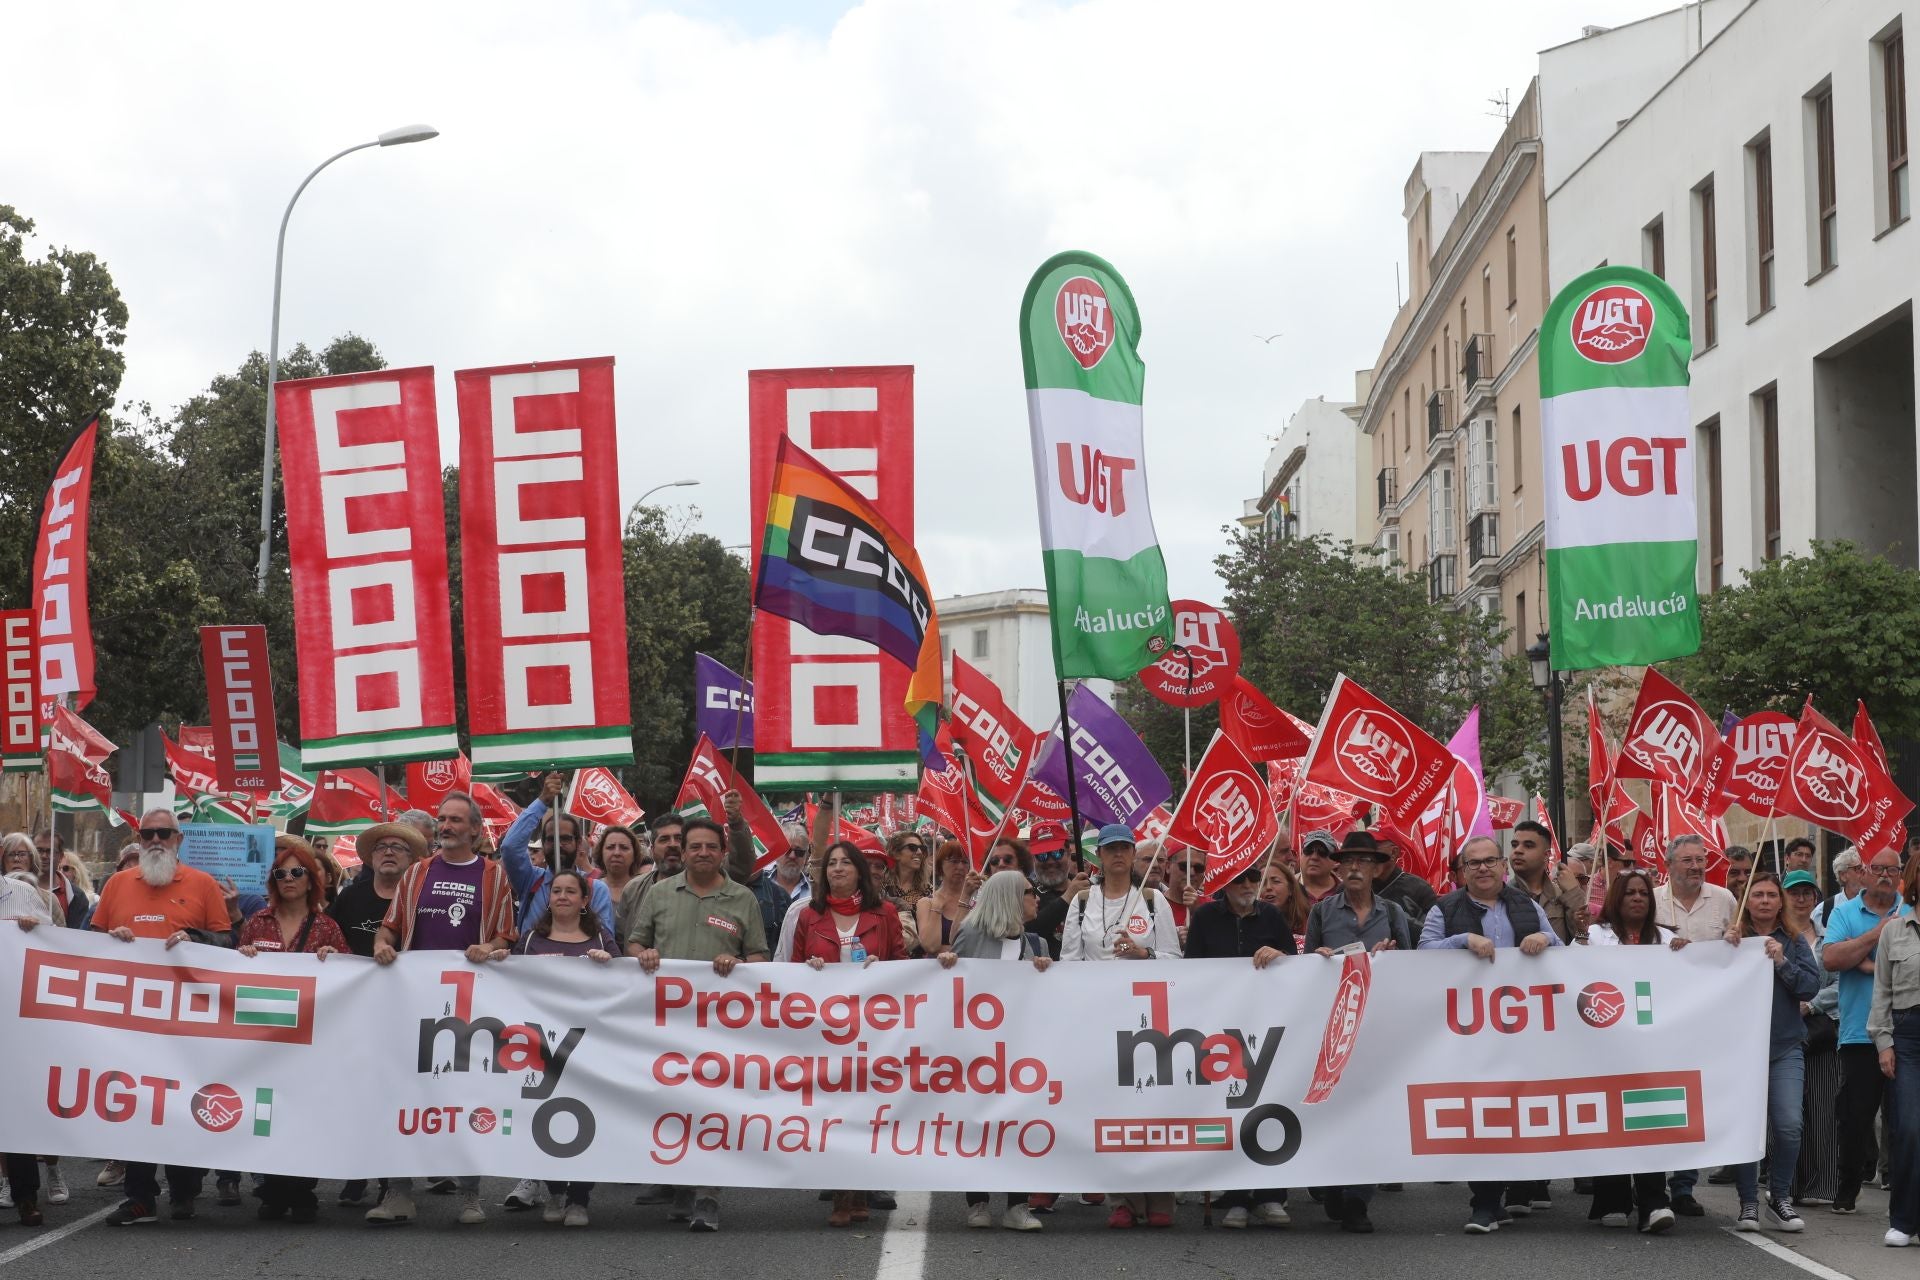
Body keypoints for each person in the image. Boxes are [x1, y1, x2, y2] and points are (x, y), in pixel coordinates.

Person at [368, 791, 517, 1227]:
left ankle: (470, 1194)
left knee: (465, 1096)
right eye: (442, 819)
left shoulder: (494, 876)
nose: (446, 826)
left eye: (455, 820)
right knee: (405, 1093)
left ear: (475, 829)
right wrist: (380, 945)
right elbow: (389, 928)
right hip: (414, 1005)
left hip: (469, 1007)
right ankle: (399, 1192)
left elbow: (505, 936)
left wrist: (488, 946)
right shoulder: (417, 872)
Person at [92, 810, 239, 1226]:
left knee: (180, 1102)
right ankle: (139, 1197)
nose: (155, 840)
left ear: (178, 839)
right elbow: (90, 943)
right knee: (136, 1104)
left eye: (164, 833)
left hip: (187, 1020)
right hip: (131, 1019)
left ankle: (184, 1189)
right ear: (140, 839)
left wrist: (195, 938)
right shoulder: (117, 884)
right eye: (148, 833)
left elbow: (226, 941)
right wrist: (111, 939)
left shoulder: (202, 884)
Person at [627, 815, 769, 1233]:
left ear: (723, 852)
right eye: (695, 847)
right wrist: (642, 954)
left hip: (720, 1025)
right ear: (684, 852)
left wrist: (739, 963)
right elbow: (634, 941)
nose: (703, 853)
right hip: (667, 1022)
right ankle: (683, 1184)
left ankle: (709, 1194)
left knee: (713, 1107)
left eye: (710, 846)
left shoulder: (742, 898)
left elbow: (760, 956)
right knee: (675, 1103)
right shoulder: (660, 893)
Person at [1418, 835, 1561, 1233]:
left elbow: (1559, 946)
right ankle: (1484, 1201)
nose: (1482, 868)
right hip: (1469, 1030)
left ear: (1502, 866)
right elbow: (1422, 953)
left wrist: (1545, 938)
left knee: (1515, 1112)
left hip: (1522, 1029)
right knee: (1480, 1112)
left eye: (1489, 861)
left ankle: (1500, 1196)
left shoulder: (1527, 906)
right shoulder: (1444, 908)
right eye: (1473, 863)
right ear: (1463, 872)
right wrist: (1463, 940)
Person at [1060, 825, 1180, 1227]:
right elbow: (1069, 962)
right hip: (1099, 1018)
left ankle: (1161, 1196)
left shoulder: (1153, 900)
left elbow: (1175, 959)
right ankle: (1124, 1200)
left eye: (1124, 848)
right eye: (1110, 848)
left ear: (1132, 854)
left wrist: (1144, 956)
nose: (1117, 855)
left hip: (1147, 1017)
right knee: (1112, 1108)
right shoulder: (1082, 901)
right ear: (1099, 855)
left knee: (1153, 1106)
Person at [789, 841, 908, 1227]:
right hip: (825, 1030)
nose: (837, 868)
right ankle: (842, 1193)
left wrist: (881, 967)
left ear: (859, 871)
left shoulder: (884, 913)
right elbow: (791, 970)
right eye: (831, 864)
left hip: (873, 1028)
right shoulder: (809, 915)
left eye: (845, 863)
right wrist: (808, 968)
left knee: (867, 1109)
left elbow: (902, 964)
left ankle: (860, 1190)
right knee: (835, 1111)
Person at [1299, 830, 1412, 1233]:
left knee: (1371, 1111)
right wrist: (1319, 957)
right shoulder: (1322, 913)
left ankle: (1358, 1199)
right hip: (1335, 1022)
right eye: (1347, 861)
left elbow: (1412, 965)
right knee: (1331, 1107)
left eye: (1362, 861)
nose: (1353, 868)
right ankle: (1334, 1183)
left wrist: (1393, 957)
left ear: (1377, 869)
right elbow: (1307, 966)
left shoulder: (1393, 913)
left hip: (1378, 1024)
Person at [236, 837, 346, 1223]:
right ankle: (272, 1190)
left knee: (304, 1114)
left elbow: (352, 980)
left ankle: (302, 1191)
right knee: (266, 1113)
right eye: (280, 874)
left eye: (297, 872)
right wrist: (244, 956)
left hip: (309, 1040)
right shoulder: (256, 923)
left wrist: (337, 959)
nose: (288, 879)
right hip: (264, 1040)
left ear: (311, 880)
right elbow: (233, 976)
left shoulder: (328, 927)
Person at [935, 869, 1052, 1232]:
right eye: (1029, 892)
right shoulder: (972, 935)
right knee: (977, 1123)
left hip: (1021, 1052)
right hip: (978, 1050)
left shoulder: (1038, 945)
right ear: (1009, 897)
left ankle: (1018, 1205)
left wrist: (1047, 971)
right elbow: (951, 984)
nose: (1036, 898)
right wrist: (948, 963)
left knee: (1020, 1124)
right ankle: (978, 1202)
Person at [509, 870, 614, 1226]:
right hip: (542, 1045)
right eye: (556, 891)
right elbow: (509, 985)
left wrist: (608, 964)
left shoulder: (601, 937)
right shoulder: (529, 941)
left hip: (589, 1045)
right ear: (548, 898)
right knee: (544, 1117)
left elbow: (623, 986)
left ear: (585, 900)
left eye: (571, 891)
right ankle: (555, 1192)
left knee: (586, 1119)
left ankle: (580, 1199)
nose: (563, 896)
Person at [1725, 872, 1820, 1233]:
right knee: (1747, 1130)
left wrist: (1782, 962)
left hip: (1784, 1047)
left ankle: (1778, 1197)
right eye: (1758, 895)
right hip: (1741, 1051)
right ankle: (1748, 1202)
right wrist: (1725, 952)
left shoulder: (1793, 942)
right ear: (1746, 902)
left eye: (1770, 895)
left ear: (1780, 902)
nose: (1764, 901)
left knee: (1789, 1126)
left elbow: (1810, 987)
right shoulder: (1732, 940)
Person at [1582, 869, 1675, 1231]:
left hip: (1650, 1049)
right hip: (1605, 1046)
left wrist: (1688, 956)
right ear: (1616, 899)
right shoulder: (1594, 936)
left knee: (1649, 1122)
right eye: (1629, 893)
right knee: (1610, 1121)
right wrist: (1578, 938)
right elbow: (1571, 972)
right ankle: (1612, 1200)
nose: (1637, 898)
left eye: (1644, 893)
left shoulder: (1667, 939)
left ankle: (1654, 1203)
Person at [1650, 835, 1738, 1217]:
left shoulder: (1724, 899)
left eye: (1700, 860)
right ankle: (1651, 1184)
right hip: (1658, 1017)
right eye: (1687, 860)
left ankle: (1683, 1186)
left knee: (1692, 1101)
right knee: (1657, 1100)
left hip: (1705, 1020)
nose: (1696, 866)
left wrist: (1736, 941)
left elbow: (1739, 950)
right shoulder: (1652, 900)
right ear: (1668, 865)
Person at [1823, 845, 1910, 1216]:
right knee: (1856, 1117)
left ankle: (1902, 1193)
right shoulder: (1844, 912)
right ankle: (1847, 1187)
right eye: (1878, 869)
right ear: (1864, 873)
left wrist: (1866, 961)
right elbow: (1832, 958)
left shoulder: (1911, 909)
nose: (1885, 876)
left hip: (1905, 1030)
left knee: (1905, 1120)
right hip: (1859, 1031)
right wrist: (1878, 934)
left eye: (1893, 869)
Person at [2, 863, 58, 1224]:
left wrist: (35, 928)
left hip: (15, 1018)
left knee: (14, 1109)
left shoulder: (23, 893)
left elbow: (56, 944)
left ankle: (26, 1196)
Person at [1869, 853, 1920, 1246]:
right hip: (1907, 1036)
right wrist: (1883, 1041)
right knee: (1908, 1128)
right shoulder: (1894, 931)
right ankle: (1903, 1220)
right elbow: (1882, 991)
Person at [1787, 869, 1841, 1209]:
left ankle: (1821, 1185)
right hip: (1782, 1033)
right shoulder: (1774, 938)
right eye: (1794, 892)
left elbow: (1839, 984)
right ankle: (1785, 1183)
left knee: (1823, 1109)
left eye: (1807, 892)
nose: (1801, 898)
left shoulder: (1829, 937)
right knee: (1787, 1113)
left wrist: (1811, 1004)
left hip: (1820, 1033)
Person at [1507, 821, 1585, 945]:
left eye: (1528, 846)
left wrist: (1573, 892)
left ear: (1546, 855)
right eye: (1514, 845)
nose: (1518, 850)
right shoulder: (1501, 896)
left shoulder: (1562, 895)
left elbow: (1582, 938)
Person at [1028, 823, 1087, 960]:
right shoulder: (1026, 890)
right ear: (1033, 858)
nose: (1050, 861)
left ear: (1068, 853)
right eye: (1042, 855)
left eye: (1056, 853)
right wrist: (1068, 896)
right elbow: (1029, 931)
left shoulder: (1087, 888)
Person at [750, 822, 812, 945]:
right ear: (777, 850)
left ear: (806, 856)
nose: (792, 856)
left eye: (799, 852)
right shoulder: (757, 885)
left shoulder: (815, 892)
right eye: (787, 850)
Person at [916, 841, 981, 956]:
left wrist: (965, 897)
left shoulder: (979, 901)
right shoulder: (926, 903)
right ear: (940, 865)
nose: (960, 867)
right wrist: (936, 908)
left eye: (965, 862)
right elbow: (930, 946)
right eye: (954, 861)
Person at [1371, 834, 1438, 932]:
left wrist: (1391, 914)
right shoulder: (1354, 886)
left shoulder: (1420, 889)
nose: (1368, 853)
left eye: (1374, 846)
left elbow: (1433, 933)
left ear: (1394, 852)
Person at [30, 830, 90, 929]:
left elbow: (79, 935)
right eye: (39, 850)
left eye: (50, 851)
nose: (44, 856)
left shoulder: (77, 897)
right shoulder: (19, 887)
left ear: (61, 856)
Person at [1260, 858, 1310, 951]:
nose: (1268, 887)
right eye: (1262, 883)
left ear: (1290, 889)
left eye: (1276, 881)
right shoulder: (1248, 925)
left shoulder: (1311, 921)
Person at [593, 824, 645, 901]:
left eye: (624, 848)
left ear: (634, 854)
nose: (617, 853)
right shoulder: (590, 889)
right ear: (601, 853)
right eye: (610, 847)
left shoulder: (644, 890)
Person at [1297, 830, 1341, 903]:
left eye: (1322, 852)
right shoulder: (1286, 889)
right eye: (1308, 850)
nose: (1314, 857)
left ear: (1334, 860)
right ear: (1301, 855)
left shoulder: (1348, 892)